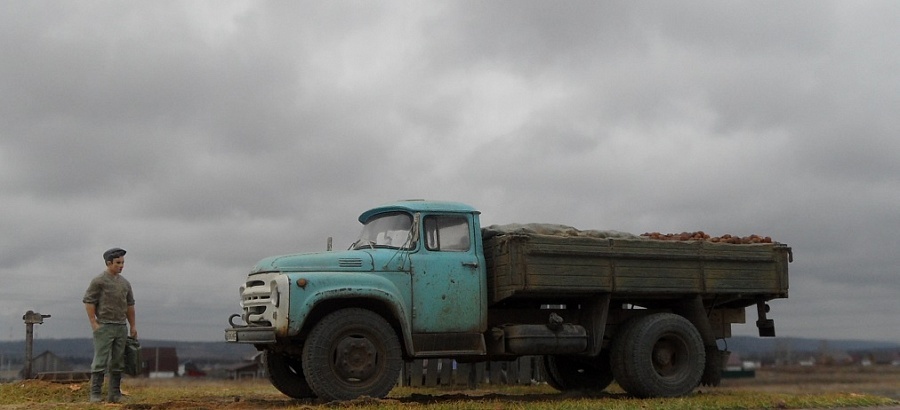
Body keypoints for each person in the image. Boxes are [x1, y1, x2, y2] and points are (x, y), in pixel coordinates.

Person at [83, 247, 137, 403]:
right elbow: (89, 301)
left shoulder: (125, 283)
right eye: (118, 263)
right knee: (100, 360)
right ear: (109, 263)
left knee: (118, 361)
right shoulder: (99, 281)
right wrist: (93, 322)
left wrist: (132, 325)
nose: (121, 266)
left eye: (123, 263)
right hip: (104, 325)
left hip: (120, 326)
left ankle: (114, 394)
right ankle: (95, 393)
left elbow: (130, 305)